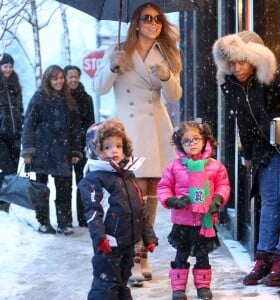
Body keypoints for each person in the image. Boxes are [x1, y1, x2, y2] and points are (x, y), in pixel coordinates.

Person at [93, 2, 182, 285]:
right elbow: (99, 88)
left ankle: (144, 252)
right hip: (128, 132)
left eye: (158, 19)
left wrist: (166, 77)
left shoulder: (166, 52)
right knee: (130, 195)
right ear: (136, 22)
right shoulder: (118, 50)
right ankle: (129, 253)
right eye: (147, 18)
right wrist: (111, 68)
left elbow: (174, 96)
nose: (153, 23)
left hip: (155, 127)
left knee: (151, 192)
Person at [212, 31, 280, 287]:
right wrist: (248, 154)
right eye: (231, 63)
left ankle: (277, 257)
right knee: (268, 201)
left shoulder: (270, 78)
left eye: (242, 61)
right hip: (263, 149)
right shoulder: (232, 85)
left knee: (276, 201)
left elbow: (279, 111)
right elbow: (243, 121)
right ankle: (264, 256)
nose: (237, 67)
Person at [78, 119, 158, 300]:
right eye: (107, 147)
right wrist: (100, 238)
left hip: (128, 242)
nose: (114, 151)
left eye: (118, 146)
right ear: (96, 150)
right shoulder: (94, 178)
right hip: (109, 243)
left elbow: (139, 210)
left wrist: (148, 237)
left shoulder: (127, 176)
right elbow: (93, 212)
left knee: (122, 281)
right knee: (106, 285)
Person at [157, 119, 230, 300]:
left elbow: (223, 185)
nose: (192, 144)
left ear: (204, 140)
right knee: (181, 256)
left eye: (196, 139)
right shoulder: (174, 167)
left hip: (205, 221)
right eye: (187, 141)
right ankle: (179, 288)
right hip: (184, 221)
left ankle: (203, 287)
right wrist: (172, 201)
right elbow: (164, 187)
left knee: (202, 256)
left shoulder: (214, 166)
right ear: (180, 144)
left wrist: (218, 199)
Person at [21, 64, 82, 235]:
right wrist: (28, 151)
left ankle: (64, 222)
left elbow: (76, 128)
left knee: (64, 189)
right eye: (55, 78)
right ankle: (43, 222)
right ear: (48, 79)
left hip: (63, 152)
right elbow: (29, 126)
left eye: (61, 78)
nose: (59, 82)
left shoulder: (68, 99)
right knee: (41, 190)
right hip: (42, 151)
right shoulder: (39, 97)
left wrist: (76, 150)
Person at [64, 65, 95, 227]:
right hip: (62, 147)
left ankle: (84, 218)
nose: (73, 79)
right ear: (64, 77)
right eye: (70, 76)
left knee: (82, 183)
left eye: (76, 76)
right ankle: (66, 220)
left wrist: (89, 145)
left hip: (82, 147)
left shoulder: (86, 98)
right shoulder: (60, 97)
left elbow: (91, 124)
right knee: (64, 185)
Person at [0, 53, 23, 212]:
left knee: (13, 169)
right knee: (5, 167)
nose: (8, 69)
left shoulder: (16, 83)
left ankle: (7, 202)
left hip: (15, 134)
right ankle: (2, 201)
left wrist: (21, 123)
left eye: (10, 66)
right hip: (1, 134)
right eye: (5, 66)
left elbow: (19, 108)